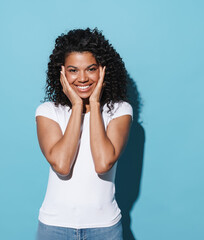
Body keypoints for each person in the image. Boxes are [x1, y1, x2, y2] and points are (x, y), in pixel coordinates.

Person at [35, 28, 133, 240]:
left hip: (105, 228)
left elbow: (103, 163)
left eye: (90, 69)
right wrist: (77, 106)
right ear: (61, 73)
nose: (82, 78)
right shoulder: (48, 112)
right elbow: (62, 165)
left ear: (103, 70)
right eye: (73, 70)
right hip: (54, 227)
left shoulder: (120, 110)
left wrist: (95, 103)